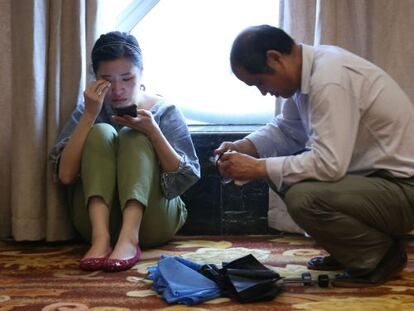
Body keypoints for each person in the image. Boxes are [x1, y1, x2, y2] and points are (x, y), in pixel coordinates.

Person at [215, 24, 414, 287]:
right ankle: (353, 250)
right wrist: (245, 146)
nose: (263, 92)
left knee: (302, 196)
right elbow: (287, 131)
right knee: (284, 175)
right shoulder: (310, 76)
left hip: (404, 190)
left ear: (275, 57)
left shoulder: (330, 78)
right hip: (380, 185)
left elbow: (329, 165)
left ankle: (377, 257)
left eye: (260, 82)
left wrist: (258, 167)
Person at [49, 31, 200, 272]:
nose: (118, 89)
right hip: (98, 223)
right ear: (96, 78)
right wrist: (89, 115)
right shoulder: (89, 108)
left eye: (127, 78)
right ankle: (101, 240)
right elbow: (65, 176)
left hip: (153, 221)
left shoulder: (164, 109)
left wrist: (153, 132)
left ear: (141, 74)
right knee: (101, 132)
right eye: (107, 80)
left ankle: (130, 239)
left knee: (133, 135)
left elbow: (186, 178)